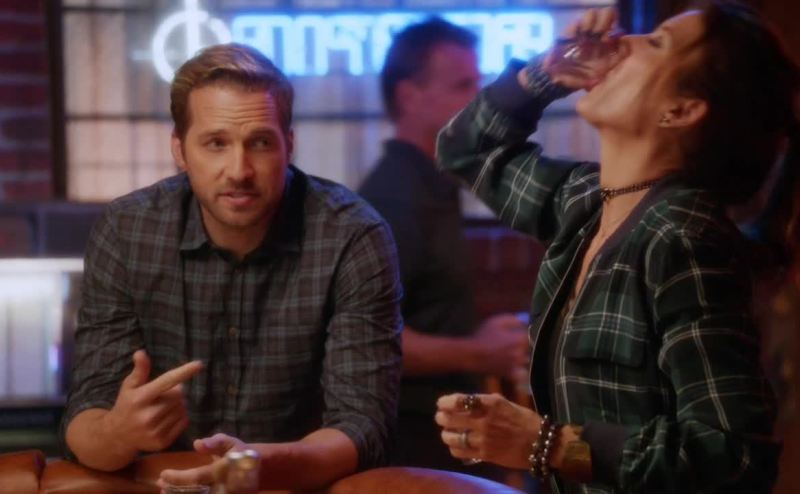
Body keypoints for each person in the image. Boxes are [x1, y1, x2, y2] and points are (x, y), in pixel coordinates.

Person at [433, 2, 798, 493]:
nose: (622, 40)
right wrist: (546, 72)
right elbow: (465, 148)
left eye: (656, 42)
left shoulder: (682, 237)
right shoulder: (584, 202)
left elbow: (732, 455)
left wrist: (548, 444)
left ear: (681, 109)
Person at [60, 43, 403, 491]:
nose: (239, 170)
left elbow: (363, 427)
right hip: (162, 485)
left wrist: (254, 467)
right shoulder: (128, 230)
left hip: (293, 487)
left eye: (260, 142)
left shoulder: (351, 236)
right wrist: (117, 433)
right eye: (216, 143)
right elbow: (85, 414)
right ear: (180, 150)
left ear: (289, 146)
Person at [358, 17, 529, 475]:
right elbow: (372, 341)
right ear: (409, 96)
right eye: (462, 85)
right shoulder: (395, 196)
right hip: (417, 449)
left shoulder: (430, 182)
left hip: (445, 440)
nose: (478, 99)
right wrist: (479, 351)